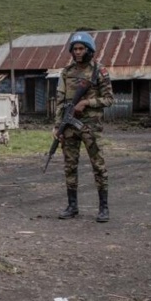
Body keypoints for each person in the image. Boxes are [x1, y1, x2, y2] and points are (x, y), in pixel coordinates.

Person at [53, 32, 115, 222]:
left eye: (81, 49)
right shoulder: (66, 72)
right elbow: (60, 100)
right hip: (69, 125)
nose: (78, 52)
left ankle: (103, 208)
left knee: (98, 165)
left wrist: (87, 102)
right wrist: (58, 127)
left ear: (89, 50)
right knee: (70, 166)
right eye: (75, 49)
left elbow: (109, 99)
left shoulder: (99, 70)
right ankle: (72, 206)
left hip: (90, 127)